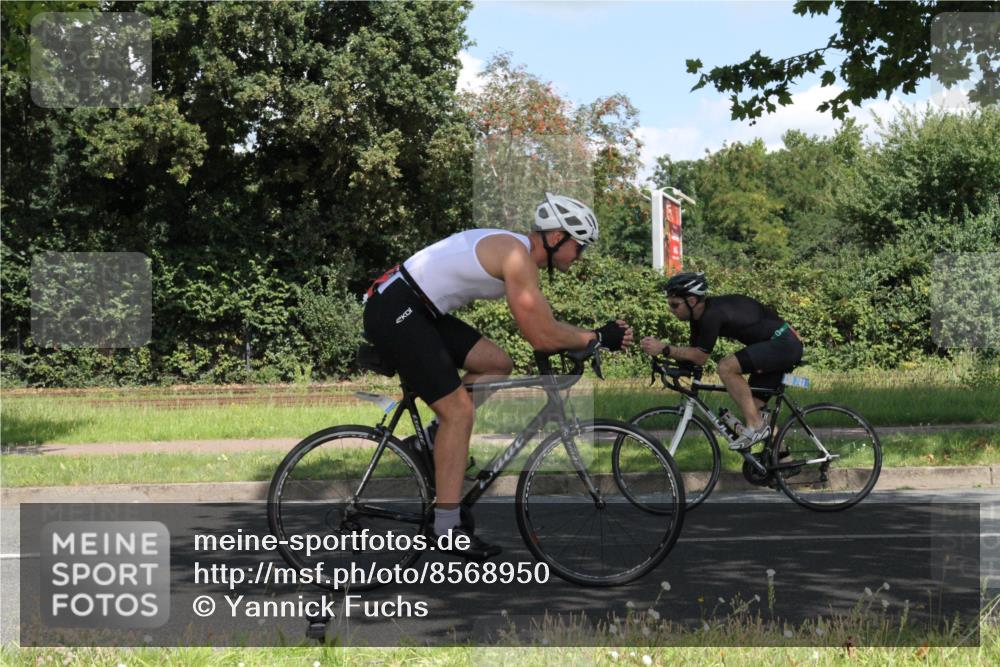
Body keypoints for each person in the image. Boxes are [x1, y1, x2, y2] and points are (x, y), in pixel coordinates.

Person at [362, 194, 633, 559]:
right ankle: (447, 527)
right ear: (556, 238)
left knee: (496, 362)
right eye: (579, 246)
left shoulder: (519, 255)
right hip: (398, 307)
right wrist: (598, 337)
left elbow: (547, 327)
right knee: (459, 412)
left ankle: (429, 440)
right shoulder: (516, 257)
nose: (580, 256)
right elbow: (541, 337)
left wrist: (589, 336)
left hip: (416, 307)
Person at [639, 271, 803, 450]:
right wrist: (671, 367)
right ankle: (782, 460)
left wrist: (664, 349)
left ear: (692, 301)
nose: (671, 310)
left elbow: (701, 357)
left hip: (783, 344)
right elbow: (692, 356)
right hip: (774, 346)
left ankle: (756, 427)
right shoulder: (698, 318)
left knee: (726, 367)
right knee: (752, 408)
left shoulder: (712, 314)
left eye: (674, 304)